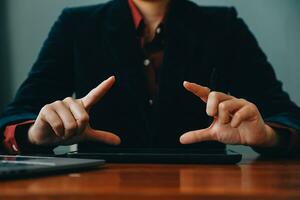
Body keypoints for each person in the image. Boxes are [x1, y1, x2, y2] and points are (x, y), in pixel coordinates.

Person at [0, 0, 299, 155]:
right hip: (98, 188)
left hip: (206, 187)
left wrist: (269, 136)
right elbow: (13, 120)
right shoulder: (76, 25)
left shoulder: (224, 26)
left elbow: (287, 116)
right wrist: (35, 134)